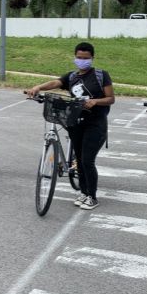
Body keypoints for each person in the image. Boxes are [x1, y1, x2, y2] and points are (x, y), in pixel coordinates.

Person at [26, 42, 115, 209]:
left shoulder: (101, 75)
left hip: (95, 123)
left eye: (86, 58)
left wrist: (95, 101)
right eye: (79, 58)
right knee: (80, 160)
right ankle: (83, 192)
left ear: (92, 58)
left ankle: (92, 196)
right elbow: (55, 83)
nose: (82, 61)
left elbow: (111, 98)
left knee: (87, 160)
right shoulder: (72, 77)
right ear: (75, 57)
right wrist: (38, 87)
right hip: (76, 122)